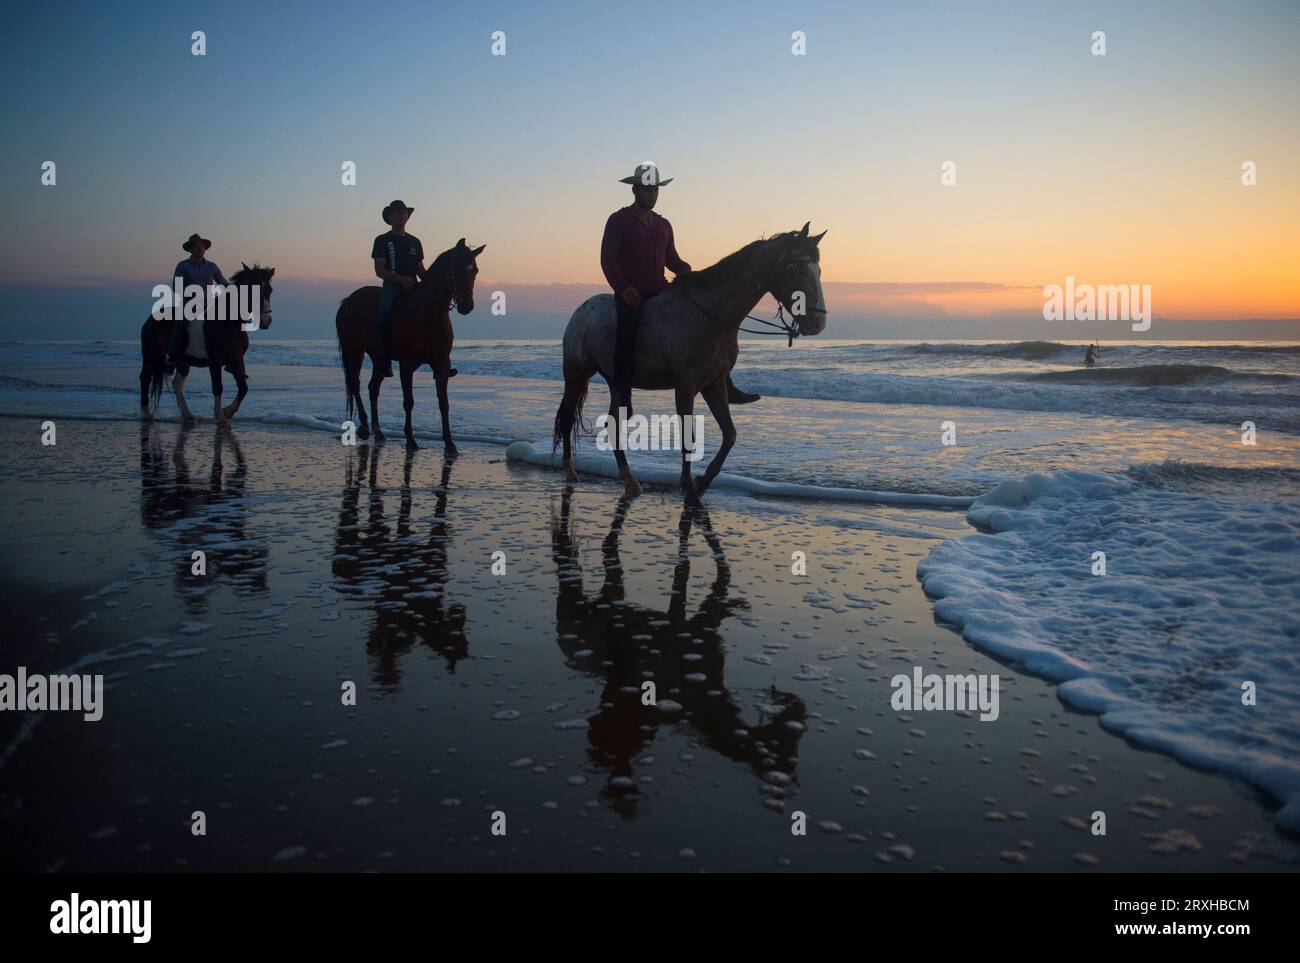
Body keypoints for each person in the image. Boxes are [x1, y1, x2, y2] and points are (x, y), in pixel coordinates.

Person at [599, 164, 759, 410]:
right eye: (646, 190)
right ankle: (623, 396)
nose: (651, 194)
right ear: (635, 190)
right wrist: (622, 288)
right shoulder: (619, 220)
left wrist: (693, 275)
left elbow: (672, 259)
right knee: (626, 335)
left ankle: (725, 382)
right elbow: (608, 260)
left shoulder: (664, 225)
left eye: (655, 190)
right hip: (631, 293)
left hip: (661, 289)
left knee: (705, 322)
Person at [371, 200, 426, 378]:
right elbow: (380, 271)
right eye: (397, 213)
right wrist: (400, 279)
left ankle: (439, 356)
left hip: (413, 287)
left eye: (403, 213)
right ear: (390, 216)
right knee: (384, 315)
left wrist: (431, 283)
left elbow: (420, 269)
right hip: (392, 286)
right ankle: (383, 360)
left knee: (435, 311)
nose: (401, 216)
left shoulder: (414, 242)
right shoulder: (382, 240)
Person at [165, 233, 230, 375]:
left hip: (209, 304)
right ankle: (173, 357)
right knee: (180, 323)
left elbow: (223, 283)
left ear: (205, 249)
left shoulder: (212, 266)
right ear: (190, 249)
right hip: (189, 303)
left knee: (229, 322)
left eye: (201, 246)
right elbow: (178, 287)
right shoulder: (183, 266)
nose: (199, 249)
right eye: (196, 246)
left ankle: (229, 358)